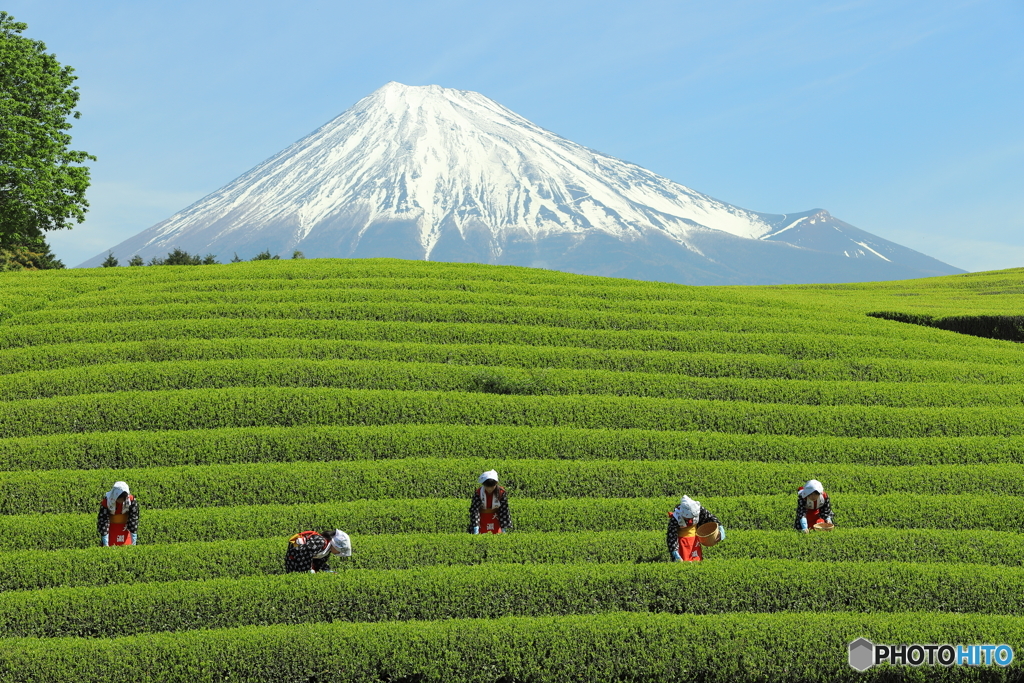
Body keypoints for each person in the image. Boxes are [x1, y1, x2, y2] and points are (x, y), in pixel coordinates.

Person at [666, 495, 723, 562]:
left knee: (696, 559)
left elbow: (710, 517)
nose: (690, 519)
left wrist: (720, 527)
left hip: (694, 540)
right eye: (688, 518)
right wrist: (674, 551)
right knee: (684, 561)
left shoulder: (698, 510)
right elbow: (671, 536)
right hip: (682, 542)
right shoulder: (675, 518)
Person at [284, 529, 352, 573]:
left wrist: (326, 570)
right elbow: (304, 552)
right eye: (339, 550)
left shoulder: (327, 549)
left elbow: (319, 562)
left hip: (304, 561)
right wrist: (308, 570)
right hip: (295, 559)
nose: (339, 553)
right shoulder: (321, 541)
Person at [468, 469, 512, 534]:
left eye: (492, 487)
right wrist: (475, 526)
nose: (489, 489)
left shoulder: (501, 493)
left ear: (496, 484)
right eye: (487, 487)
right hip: (482, 518)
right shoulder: (478, 493)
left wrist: (503, 527)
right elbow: (475, 510)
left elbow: (504, 510)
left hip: (495, 518)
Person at [98, 481, 139, 546]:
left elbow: (133, 520)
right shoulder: (106, 502)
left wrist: (133, 541)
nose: (121, 501)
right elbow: (103, 521)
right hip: (112, 529)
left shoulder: (131, 501)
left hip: (125, 529)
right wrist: (105, 542)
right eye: (119, 499)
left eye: (123, 499)